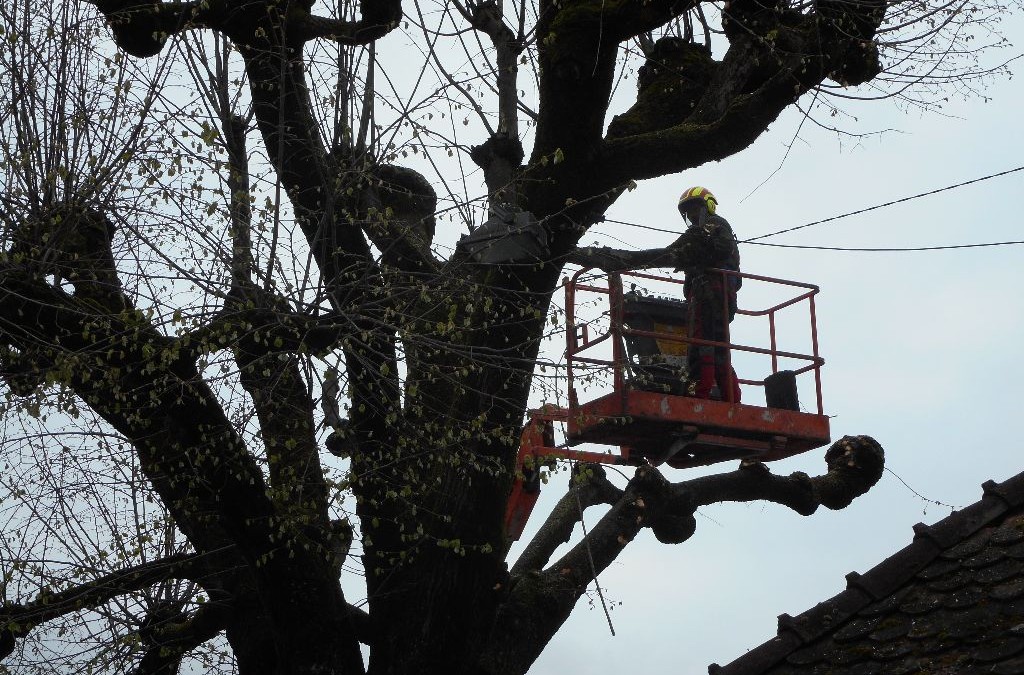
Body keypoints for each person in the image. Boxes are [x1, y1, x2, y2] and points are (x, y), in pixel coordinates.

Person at [674, 186, 742, 402]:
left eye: (695, 209)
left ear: (708, 207)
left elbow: (719, 250)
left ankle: (698, 398)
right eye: (688, 212)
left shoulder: (716, 225)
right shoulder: (699, 233)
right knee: (720, 349)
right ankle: (732, 399)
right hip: (716, 296)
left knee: (701, 347)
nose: (692, 216)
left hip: (711, 294)